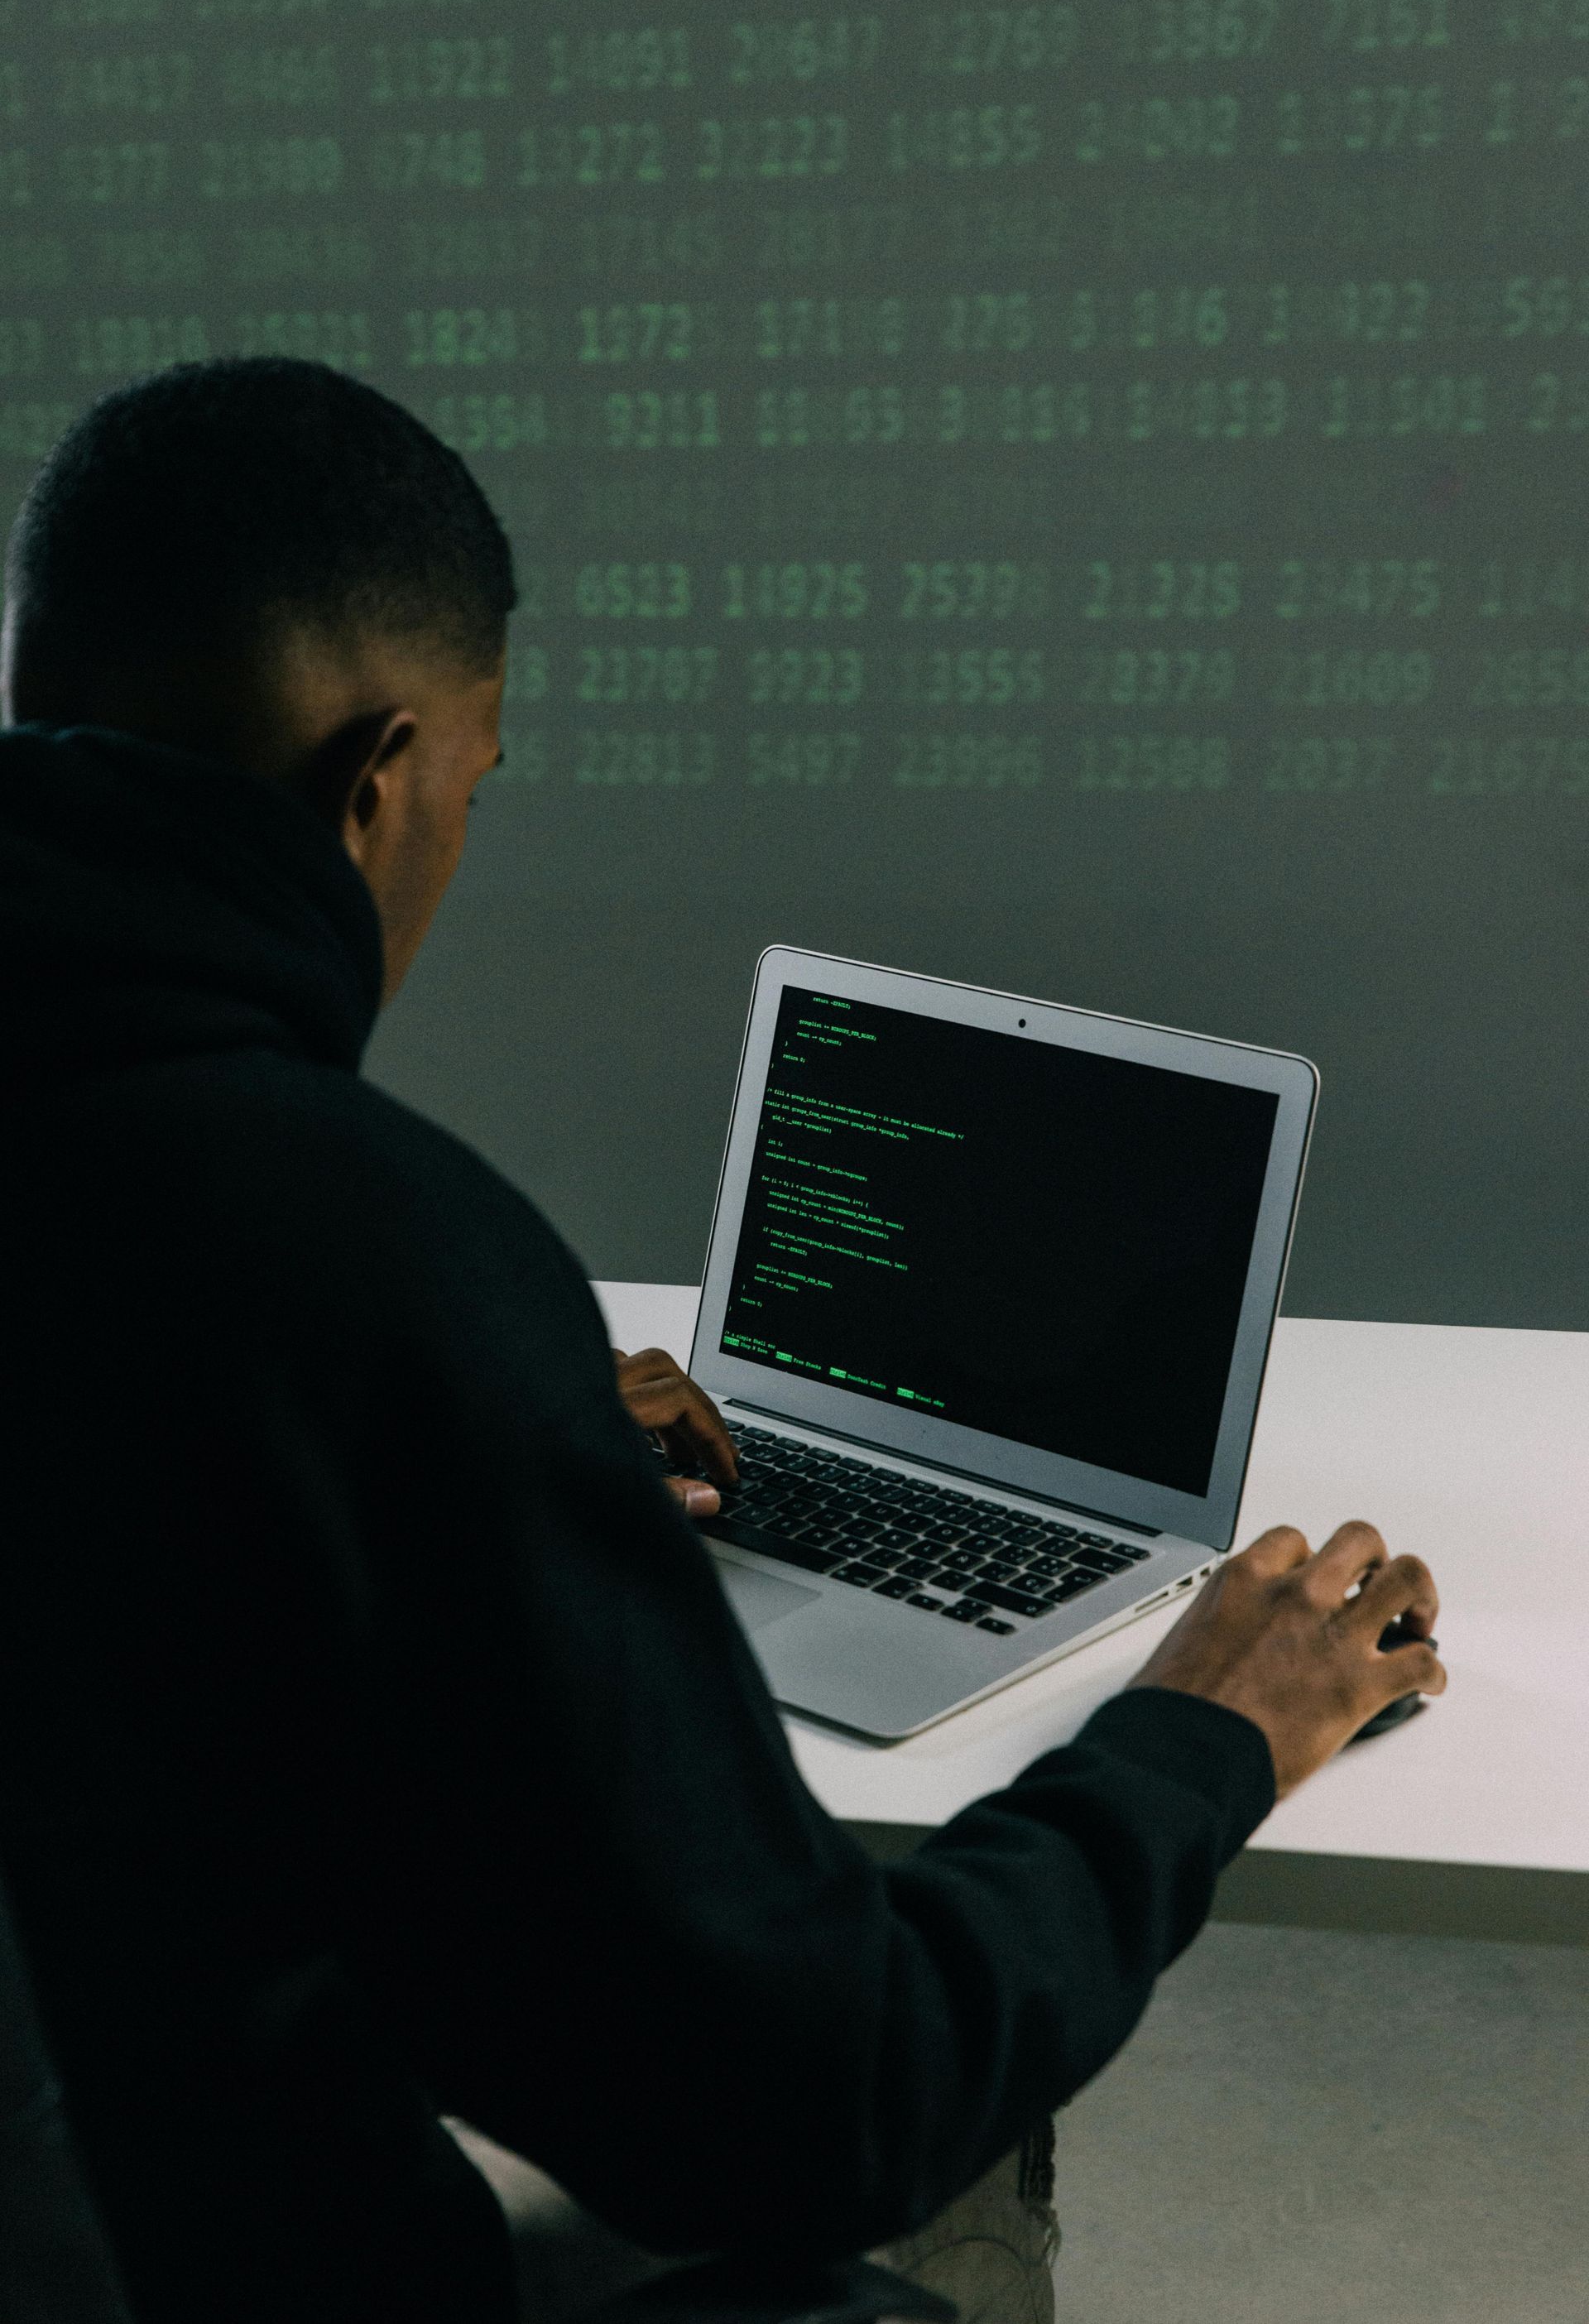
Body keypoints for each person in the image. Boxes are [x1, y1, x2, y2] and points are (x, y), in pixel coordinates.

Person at [0, 361, 1447, 2324]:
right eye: (476, 789)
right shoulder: (370, 1265)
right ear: (377, 779)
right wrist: (1202, 1733)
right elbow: (827, 2098)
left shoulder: (275, 1290)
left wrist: (494, 1457)